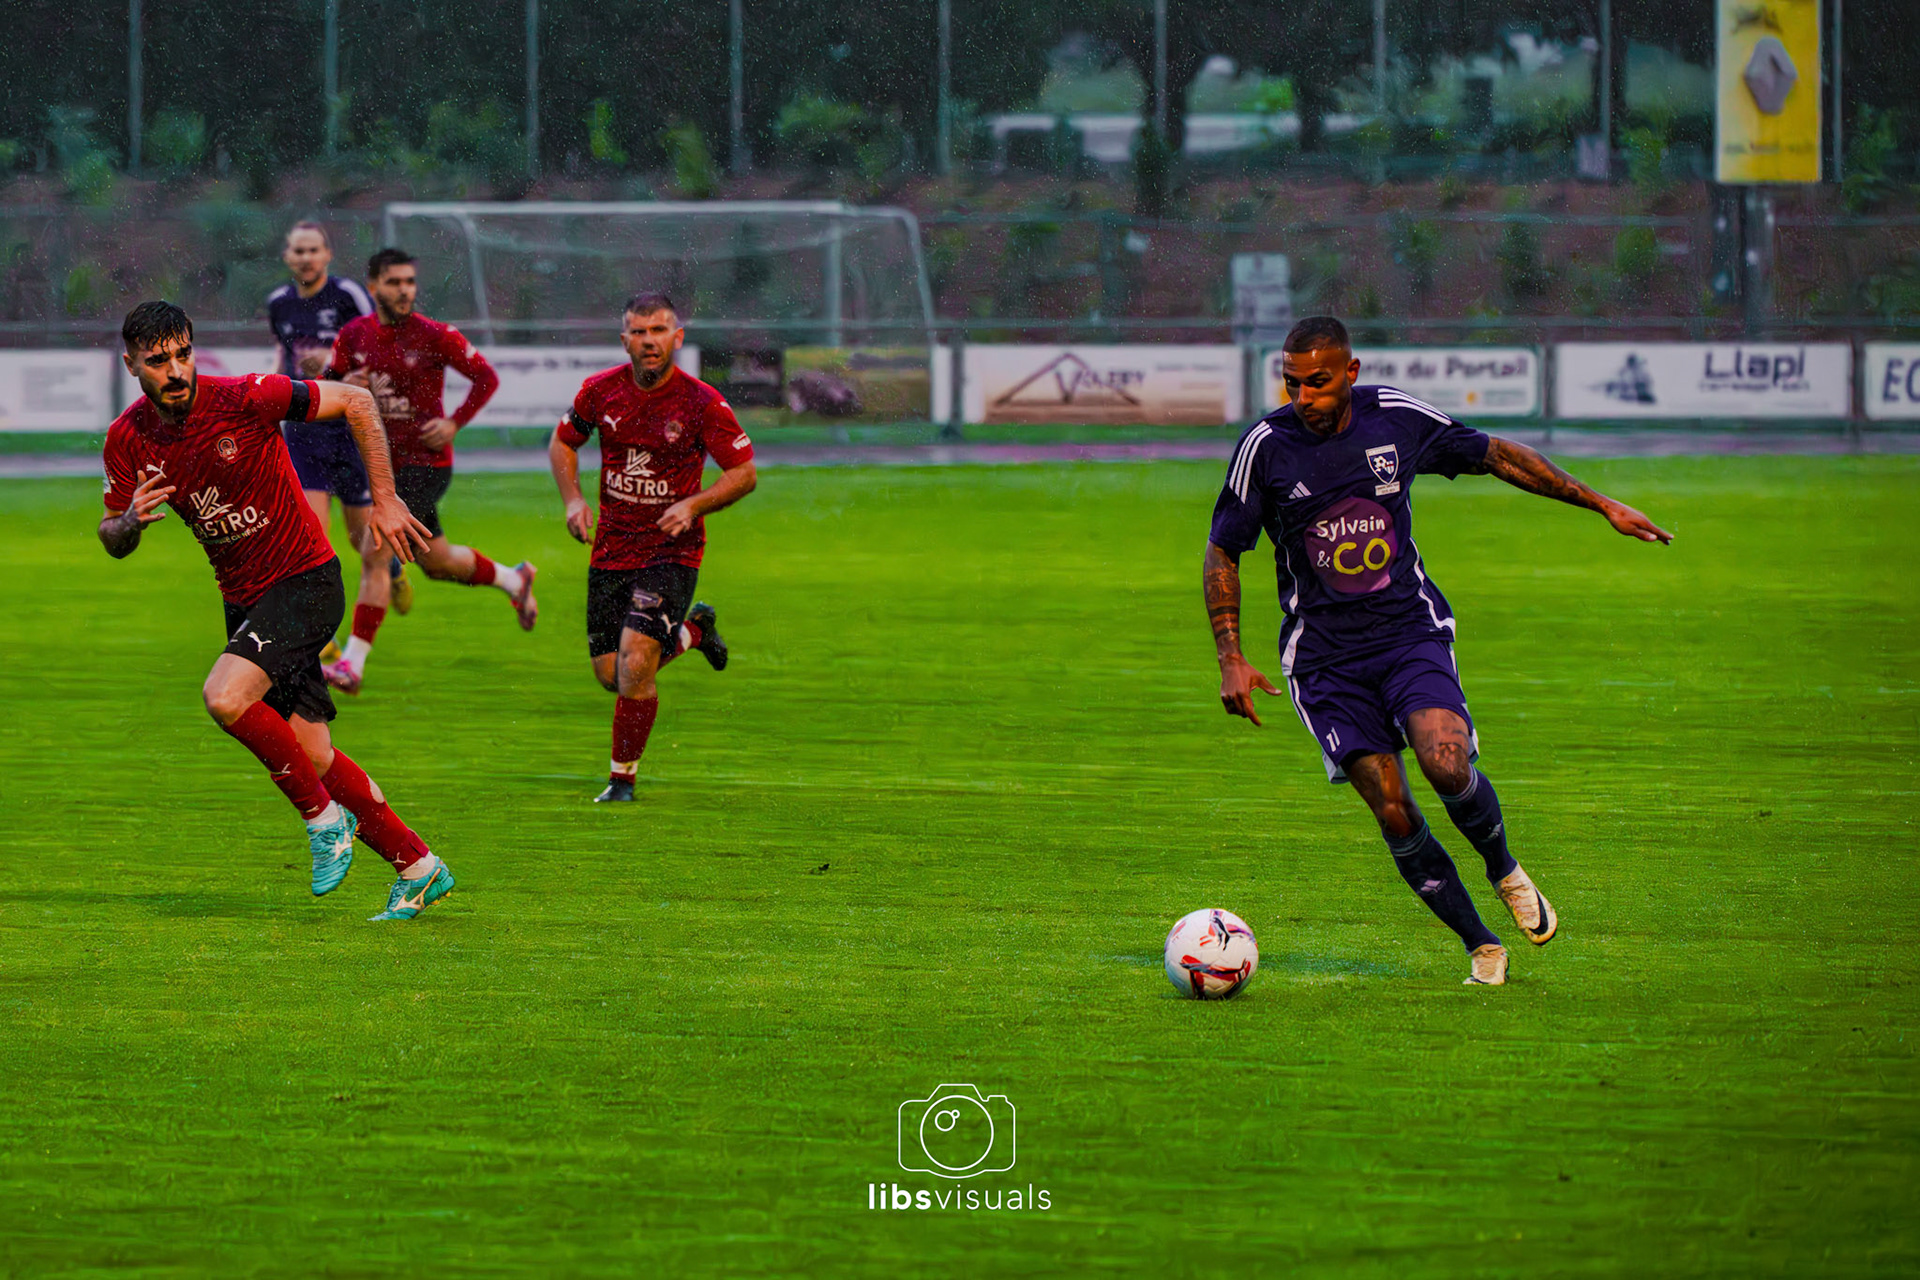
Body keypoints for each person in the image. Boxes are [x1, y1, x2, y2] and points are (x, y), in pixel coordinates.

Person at [1204, 316, 1672, 985]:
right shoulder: (1265, 448)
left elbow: (1498, 456)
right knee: (1392, 805)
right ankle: (1481, 944)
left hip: (1407, 633)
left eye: (1319, 381)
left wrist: (1599, 504)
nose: (1304, 396)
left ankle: (1505, 868)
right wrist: (1229, 653)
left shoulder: (1393, 417)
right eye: (1292, 382)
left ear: (1351, 372)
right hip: (1325, 661)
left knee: (1446, 763)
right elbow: (1224, 547)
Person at [100, 300, 456, 921]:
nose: (176, 370)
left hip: (305, 582)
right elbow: (112, 536)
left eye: (183, 354)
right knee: (312, 752)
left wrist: (387, 500)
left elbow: (358, 401)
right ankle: (418, 866)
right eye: (158, 362)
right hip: (244, 601)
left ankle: (323, 822)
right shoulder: (127, 440)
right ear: (132, 364)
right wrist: (129, 520)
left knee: (224, 697)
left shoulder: (246, 396)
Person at [548, 293, 756, 803]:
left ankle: (622, 780)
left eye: (659, 330)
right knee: (610, 675)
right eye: (639, 332)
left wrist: (694, 506)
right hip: (612, 549)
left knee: (636, 665)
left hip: (671, 552)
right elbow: (563, 443)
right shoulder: (600, 392)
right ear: (625, 340)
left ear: (677, 338)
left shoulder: (703, 402)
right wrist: (573, 501)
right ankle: (694, 632)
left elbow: (744, 474)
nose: (649, 341)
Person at [320, 247, 533, 694]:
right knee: (436, 562)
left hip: (425, 464)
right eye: (394, 282)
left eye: (409, 282)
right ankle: (515, 579)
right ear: (373, 286)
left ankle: (352, 664)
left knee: (376, 553)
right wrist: (341, 387)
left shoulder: (435, 335)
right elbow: (326, 382)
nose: (404, 290)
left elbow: (486, 377)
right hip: (380, 466)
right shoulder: (353, 335)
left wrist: (455, 421)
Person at [265, 221, 413, 659]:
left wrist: (332, 363)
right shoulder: (279, 303)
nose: (306, 258)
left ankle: (390, 566)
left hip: (350, 429)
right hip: (305, 428)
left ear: (328, 254)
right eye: (298, 251)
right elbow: (282, 354)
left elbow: (379, 345)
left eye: (314, 250)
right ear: (287, 256)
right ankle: (321, 631)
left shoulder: (348, 296)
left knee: (360, 539)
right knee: (311, 534)